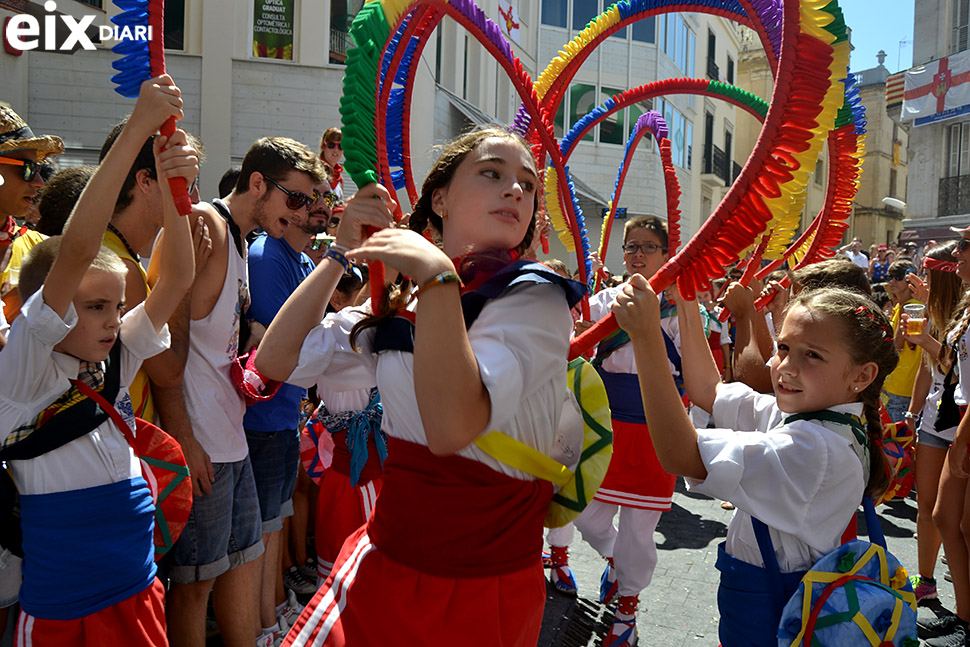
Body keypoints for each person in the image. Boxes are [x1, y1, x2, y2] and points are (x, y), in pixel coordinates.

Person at [256, 127, 584, 646]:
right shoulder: (403, 299)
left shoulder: (536, 298)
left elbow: (453, 426)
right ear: (440, 198)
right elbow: (274, 360)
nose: (516, 190)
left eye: (527, 183)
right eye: (493, 173)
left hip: (478, 593)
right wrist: (340, 254)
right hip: (383, 564)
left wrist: (436, 276)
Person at [0, 75, 196, 647]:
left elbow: (177, 278)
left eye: (116, 306)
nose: (115, 320)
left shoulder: (115, 359)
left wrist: (171, 185)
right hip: (66, 612)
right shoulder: (25, 375)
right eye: (94, 307)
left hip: (138, 595)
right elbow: (80, 249)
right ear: (49, 312)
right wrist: (136, 128)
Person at [613, 278, 895, 647]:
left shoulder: (818, 449)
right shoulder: (809, 416)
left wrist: (646, 337)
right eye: (784, 347)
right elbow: (709, 392)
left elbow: (678, 453)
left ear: (862, 376)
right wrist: (686, 301)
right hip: (762, 607)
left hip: (771, 621)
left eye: (812, 355)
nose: (786, 367)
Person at [164, 137, 326, 647]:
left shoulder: (239, 239)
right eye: (294, 199)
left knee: (245, 560)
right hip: (203, 445)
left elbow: (222, 339)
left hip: (230, 436)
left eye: (307, 202)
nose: (302, 213)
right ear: (257, 184)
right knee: (195, 584)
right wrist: (183, 439)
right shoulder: (208, 227)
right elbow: (169, 342)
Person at [566, 215, 682, 647]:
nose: (636, 254)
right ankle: (620, 564)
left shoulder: (682, 308)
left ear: (667, 255)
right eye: (630, 246)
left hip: (657, 429)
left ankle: (627, 608)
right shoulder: (603, 301)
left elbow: (694, 365)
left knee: (639, 529)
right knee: (587, 515)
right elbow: (574, 340)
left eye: (647, 247)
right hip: (604, 425)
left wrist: (682, 308)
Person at [244, 181, 333, 644]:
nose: (318, 206)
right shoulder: (266, 254)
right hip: (258, 420)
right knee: (260, 536)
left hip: (283, 416)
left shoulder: (300, 261)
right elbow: (287, 346)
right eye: (304, 197)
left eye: (324, 198)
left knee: (274, 527)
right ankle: (262, 628)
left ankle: (274, 612)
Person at [896, 242, 965, 609]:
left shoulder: (962, 314)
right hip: (934, 422)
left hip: (962, 423)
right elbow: (927, 369)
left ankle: (963, 610)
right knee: (926, 504)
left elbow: (957, 366)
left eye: (927, 274)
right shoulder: (932, 311)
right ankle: (926, 583)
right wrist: (911, 412)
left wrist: (926, 339)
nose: (920, 281)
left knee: (956, 517)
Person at [915, 227, 970, 647]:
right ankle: (955, 611)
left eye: (965, 246)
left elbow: (950, 362)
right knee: (940, 515)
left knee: (959, 523)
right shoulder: (962, 308)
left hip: (963, 424)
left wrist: (962, 442)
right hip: (948, 419)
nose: (959, 253)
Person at [884, 258, 923, 422]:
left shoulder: (911, 308)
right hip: (897, 381)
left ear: (910, 279)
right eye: (890, 276)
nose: (892, 281)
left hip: (901, 384)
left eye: (898, 276)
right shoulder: (901, 305)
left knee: (896, 443)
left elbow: (900, 345)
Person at [319, 128, 345, 200]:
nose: (336, 150)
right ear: (323, 146)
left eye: (340, 146)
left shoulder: (339, 178)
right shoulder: (315, 170)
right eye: (331, 145)